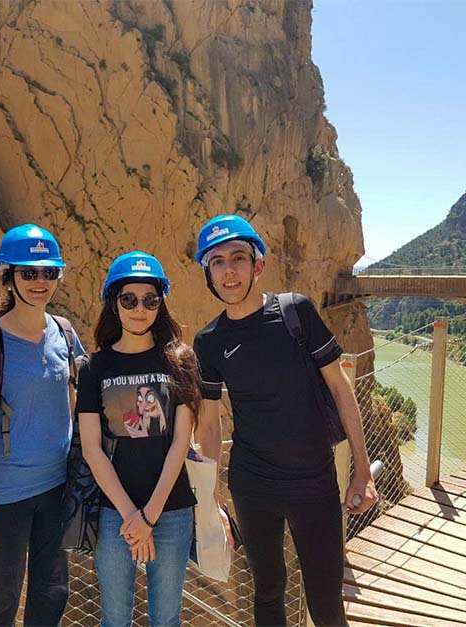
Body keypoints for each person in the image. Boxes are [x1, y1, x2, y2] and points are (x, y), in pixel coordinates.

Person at [191, 215, 377, 627]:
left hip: (313, 483)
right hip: (252, 486)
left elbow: (341, 388)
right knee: (268, 593)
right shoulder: (209, 342)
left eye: (238, 257)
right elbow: (209, 425)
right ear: (208, 272)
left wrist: (362, 471)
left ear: (257, 265)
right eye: (217, 261)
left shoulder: (295, 312)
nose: (229, 270)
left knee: (327, 604)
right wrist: (209, 499)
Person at [75, 251, 199, 627]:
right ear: (113, 303)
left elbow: (181, 441)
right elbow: (92, 448)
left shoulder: (180, 360)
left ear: (161, 303)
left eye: (150, 300)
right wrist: (132, 515)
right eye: (129, 299)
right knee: (114, 618)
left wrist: (150, 516)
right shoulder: (94, 368)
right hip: (116, 513)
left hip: (171, 509)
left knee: (166, 618)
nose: (140, 308)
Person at [0, 224, 84, 627]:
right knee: (3, 595)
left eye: (48, 273)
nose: (40, 281)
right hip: (5, 493)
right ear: (9, 276)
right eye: (28, 272)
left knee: (53, 590)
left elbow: (86, 394)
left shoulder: (65, 334)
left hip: (57, 486)